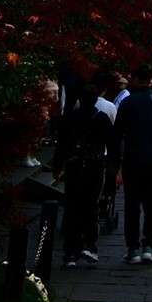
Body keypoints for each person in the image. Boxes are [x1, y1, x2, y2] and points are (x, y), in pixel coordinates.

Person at [112, 65, 152, 265]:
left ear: (136, 78)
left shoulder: (128, 102)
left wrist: (115, 159)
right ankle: (149, 246)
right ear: (151, 80)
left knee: (132, 205)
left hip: (133, 159)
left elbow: (118, 133)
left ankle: (133, 249)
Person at [57, 79, 114, 267]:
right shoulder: (102, 118)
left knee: (72, 207)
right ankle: (88, 245)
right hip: (95, 167)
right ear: (96, 98)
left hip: (73, 167)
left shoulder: (71, 118)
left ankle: (70, 253)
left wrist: (58, 166)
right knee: (91, 206)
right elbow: (113, 145)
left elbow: (61, 144)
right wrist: (114, 165)